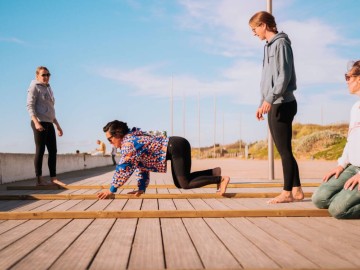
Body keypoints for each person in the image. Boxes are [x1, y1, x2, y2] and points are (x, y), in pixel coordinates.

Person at [97, 120, 230, 199]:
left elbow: (123, 168)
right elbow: (141, 166)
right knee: (182, 182)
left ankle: (221, 179)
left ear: (119, 134)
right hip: (177, 145)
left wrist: (111, 190)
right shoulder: (132, 139)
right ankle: (213, 173)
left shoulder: (129, 143)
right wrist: (141, 188)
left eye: (110, 139)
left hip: (175, 146)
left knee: (185, 183)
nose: (110, 143)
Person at [249, 11, 303, 204]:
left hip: (282, 103)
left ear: (263, 25)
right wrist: (262, 101)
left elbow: (283, 76)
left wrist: (270, 99)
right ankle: (297, 190)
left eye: (254, 29)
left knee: (284, 151)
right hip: (274, 102)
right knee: (285, 149)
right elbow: (267, 79)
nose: (254, 33)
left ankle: (287, 192)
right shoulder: (269, 46)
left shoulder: (280, 43)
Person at [312, 60, 360, 219]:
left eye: (348, 77)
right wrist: (341, 165)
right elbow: (351, 140)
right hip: (353, 167)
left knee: (337, 210)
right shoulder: (355, 108)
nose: (346, 81)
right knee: (319, 198)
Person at [26, 66, 65, 186]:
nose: (46, 77)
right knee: (40, 150)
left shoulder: (49, 89)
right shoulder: (34, 87)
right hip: (39, 122)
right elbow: (30, 106)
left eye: (48, 75)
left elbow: (51, 110)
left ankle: (54, 178)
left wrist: (57, 125)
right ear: (37, 76)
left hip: (49, 123)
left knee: (53, 150)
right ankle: (39, 179)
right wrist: (36, 122)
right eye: (43, 75)